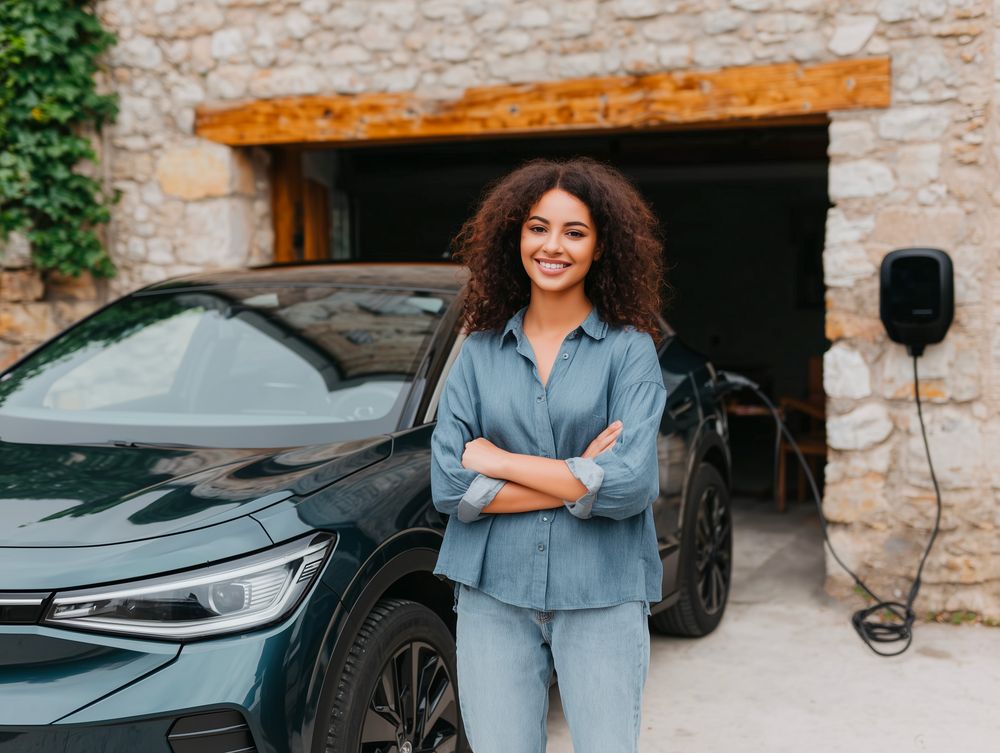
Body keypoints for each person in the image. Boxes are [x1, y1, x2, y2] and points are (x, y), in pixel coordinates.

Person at [430, 156, 668, 753]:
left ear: (600, 247)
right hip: (492, 592)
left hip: (603, 592)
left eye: (574, 231)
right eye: (538, 227)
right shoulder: (478, 353)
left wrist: (501, 461)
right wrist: (577, 476)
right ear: (516, 236)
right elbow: (448, 485)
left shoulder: (630, 352)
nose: (552, 245)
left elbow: (631, 485)